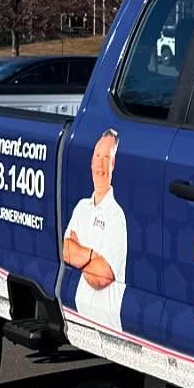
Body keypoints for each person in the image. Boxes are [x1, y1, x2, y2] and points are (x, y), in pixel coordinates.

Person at [62, 129, 127, 329]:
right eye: (97, 156)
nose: (100, 164)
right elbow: (65, 250)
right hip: (79, 318)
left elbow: (101, 277)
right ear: (91, 161)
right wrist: (93, 255)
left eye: (106, 158)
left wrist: (79, 253)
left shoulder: (116, 217)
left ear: (113, 164)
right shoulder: (82, 207)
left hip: (107, 326)